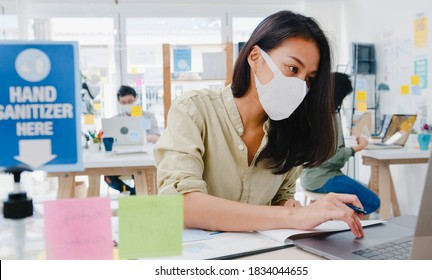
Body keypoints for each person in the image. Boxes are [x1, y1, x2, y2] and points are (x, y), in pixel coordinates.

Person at [154, 11, 364, 238]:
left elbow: (282, 198)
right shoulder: (194, 109)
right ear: (255, 57)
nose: (300, 85)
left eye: (308, 79)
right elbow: (181, 205)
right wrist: (294, 217)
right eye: (293, 69)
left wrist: (290, 207)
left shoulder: (294, 131)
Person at [300, 72, 380, 214]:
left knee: (359, 193)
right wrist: (357, 148)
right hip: (322, 177)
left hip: (310, 177)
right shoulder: (329, 118)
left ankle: (331, 209)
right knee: (373, 202)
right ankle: (333, 212)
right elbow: (332, 157)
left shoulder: (317, 113)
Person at [104, 85, 161, 195]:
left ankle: (136, 195)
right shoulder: (115, 120)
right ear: (119, 103)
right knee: (108, 177)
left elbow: (157, 137)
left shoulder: (149, 116)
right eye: (124, 102)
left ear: (136, 98)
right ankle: (133, 193)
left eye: (130, 101)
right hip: (121, 158)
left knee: (142, 177)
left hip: (143, 157)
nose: (127, 104)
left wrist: (142, 138)